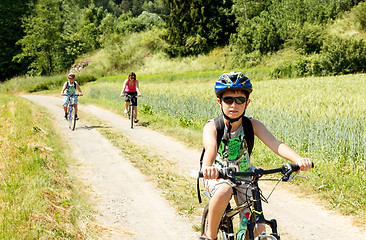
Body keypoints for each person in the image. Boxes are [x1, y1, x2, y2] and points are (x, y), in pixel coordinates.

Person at [200, 72, 313, 240]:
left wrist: (298, 160)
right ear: (220, 102)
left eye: (240, 100)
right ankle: (210, 235)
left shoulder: (252, 125)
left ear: (247, 103)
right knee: (224, 190)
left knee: (259, 229)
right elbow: (211, 147)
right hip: (217, 174)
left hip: (245, 175)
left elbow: (276, 144)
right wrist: (208, 168)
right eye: (228, 99)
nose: (234, 105)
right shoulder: (213, 127)